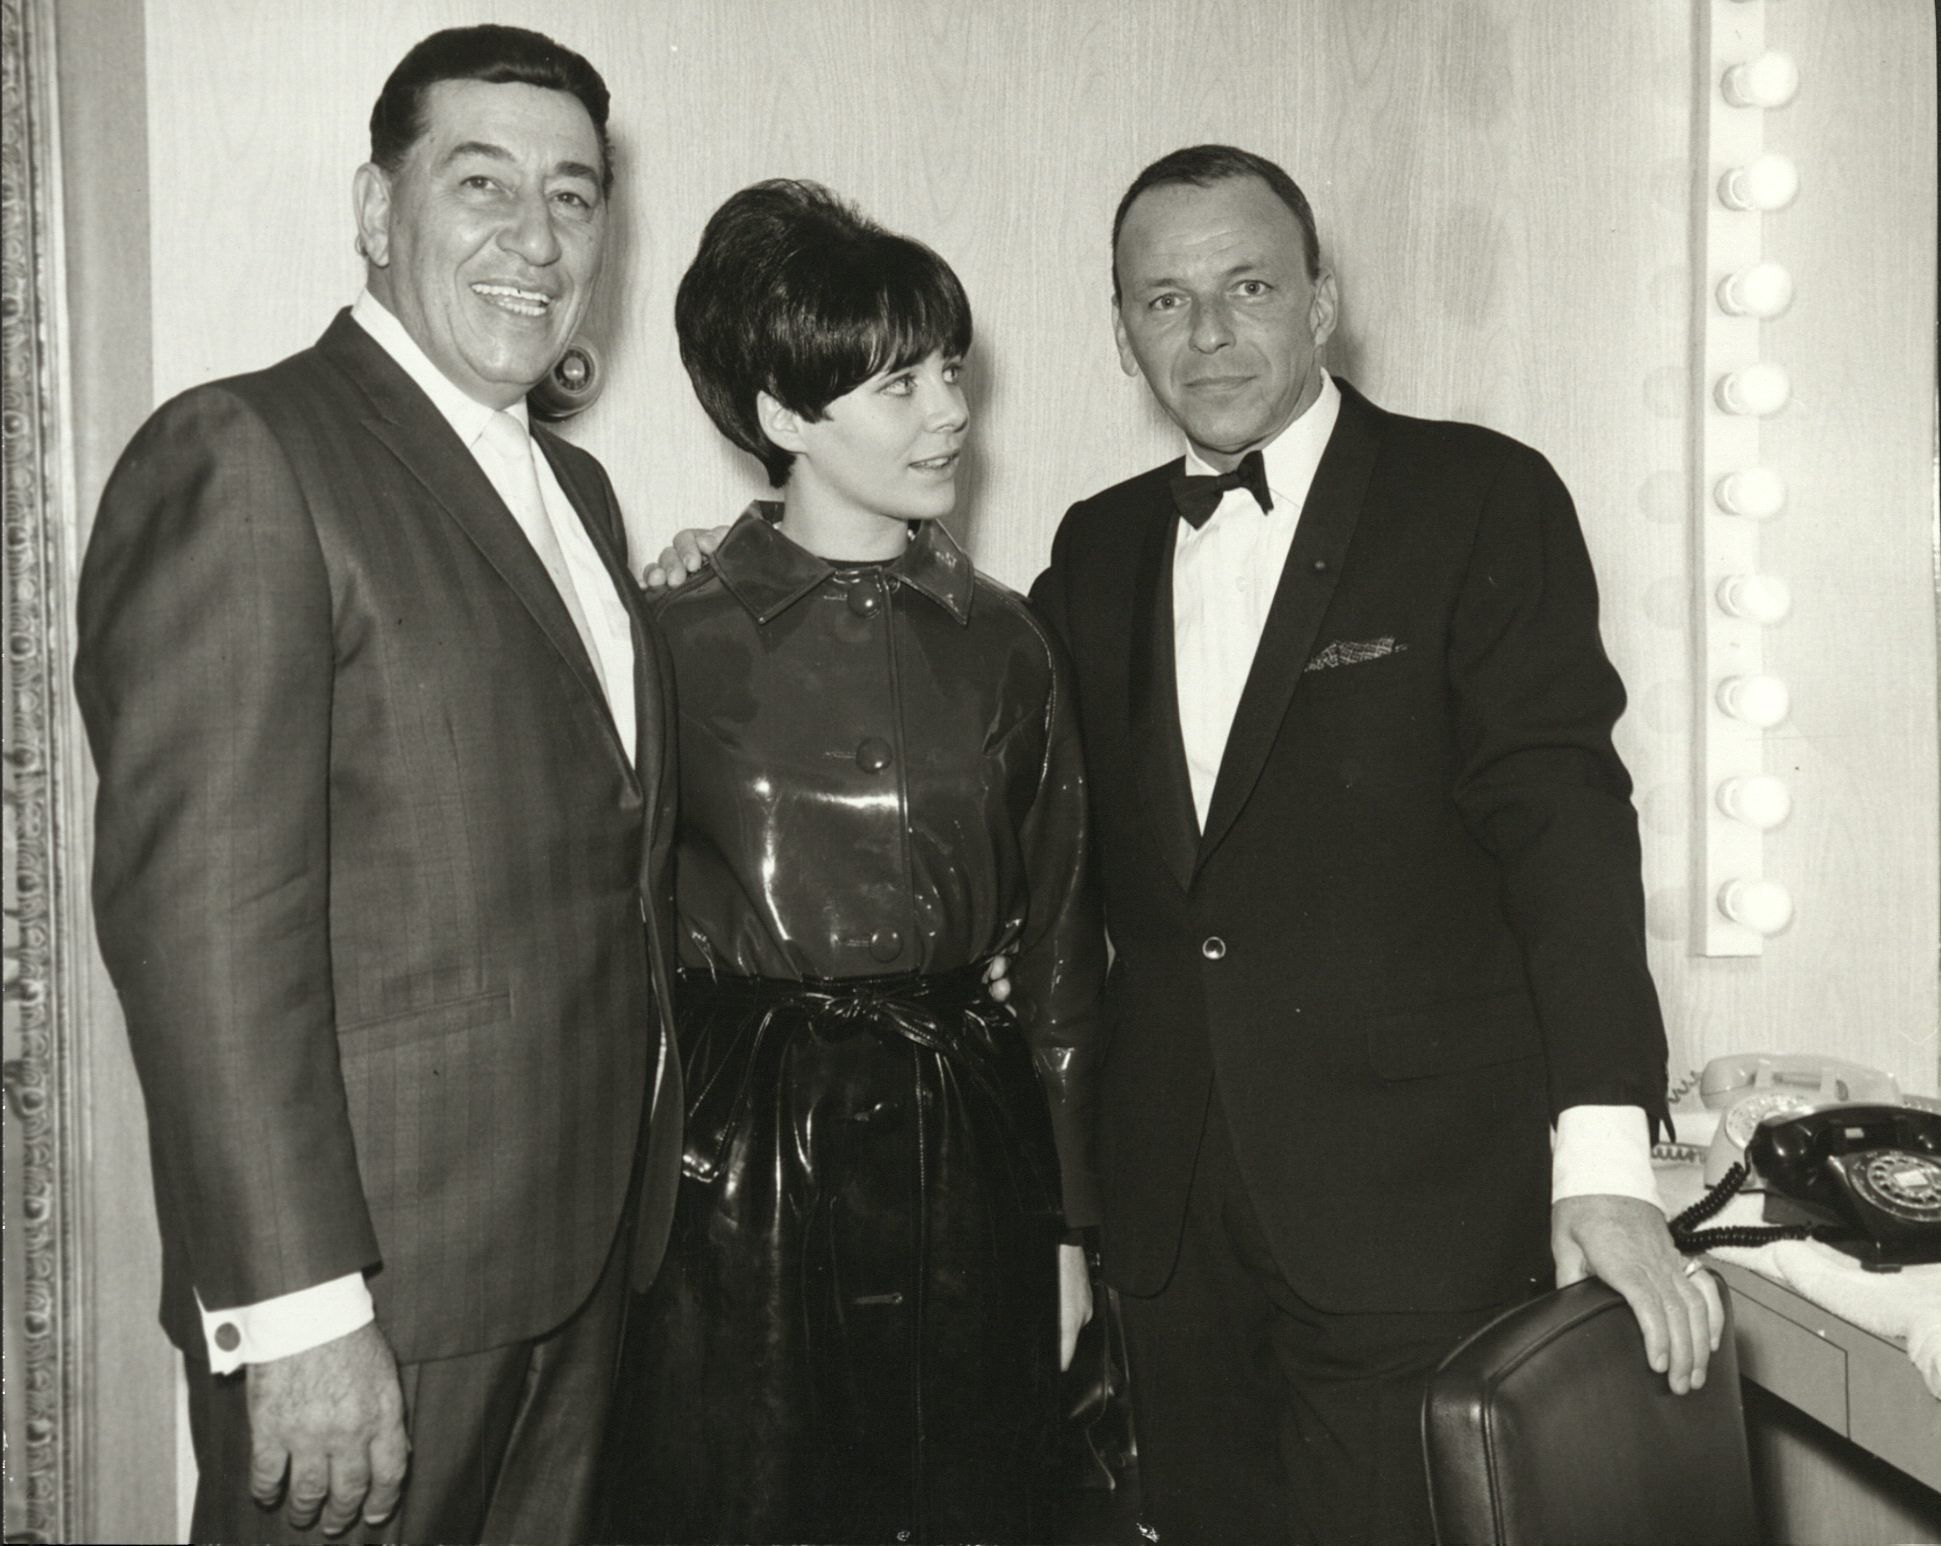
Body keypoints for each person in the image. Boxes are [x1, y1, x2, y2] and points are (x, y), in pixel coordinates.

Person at [648, 143, 1726, 1546]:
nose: (1206, 332)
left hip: (1408, 1219)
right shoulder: (1082, 564)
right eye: (1163, 300)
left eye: (1248, 285)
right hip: (1165, 1239)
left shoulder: (1474, 497)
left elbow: (1566, 827)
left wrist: (1603, 1171)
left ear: (1323, 300)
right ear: (1118, 331)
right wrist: (701, 576)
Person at [73, 26, 683, 1544]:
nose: (535, 240)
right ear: (373, 208)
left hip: (580, 1259)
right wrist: (295, 1310)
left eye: (574, 196)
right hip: (373, 1298)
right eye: (481, 185)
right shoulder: (247, 450)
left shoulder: (578, 492)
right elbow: (203, 926)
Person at [598, 179, 1101, 1546]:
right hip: (734, 1179)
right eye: (897, 386)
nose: (949, 412)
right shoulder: (662, 635)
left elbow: (1058, 949)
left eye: (950, 371)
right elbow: (611, 931)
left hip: (970, 1159)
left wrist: (1067, 1230)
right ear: (781, 417)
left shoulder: (1010, 643)